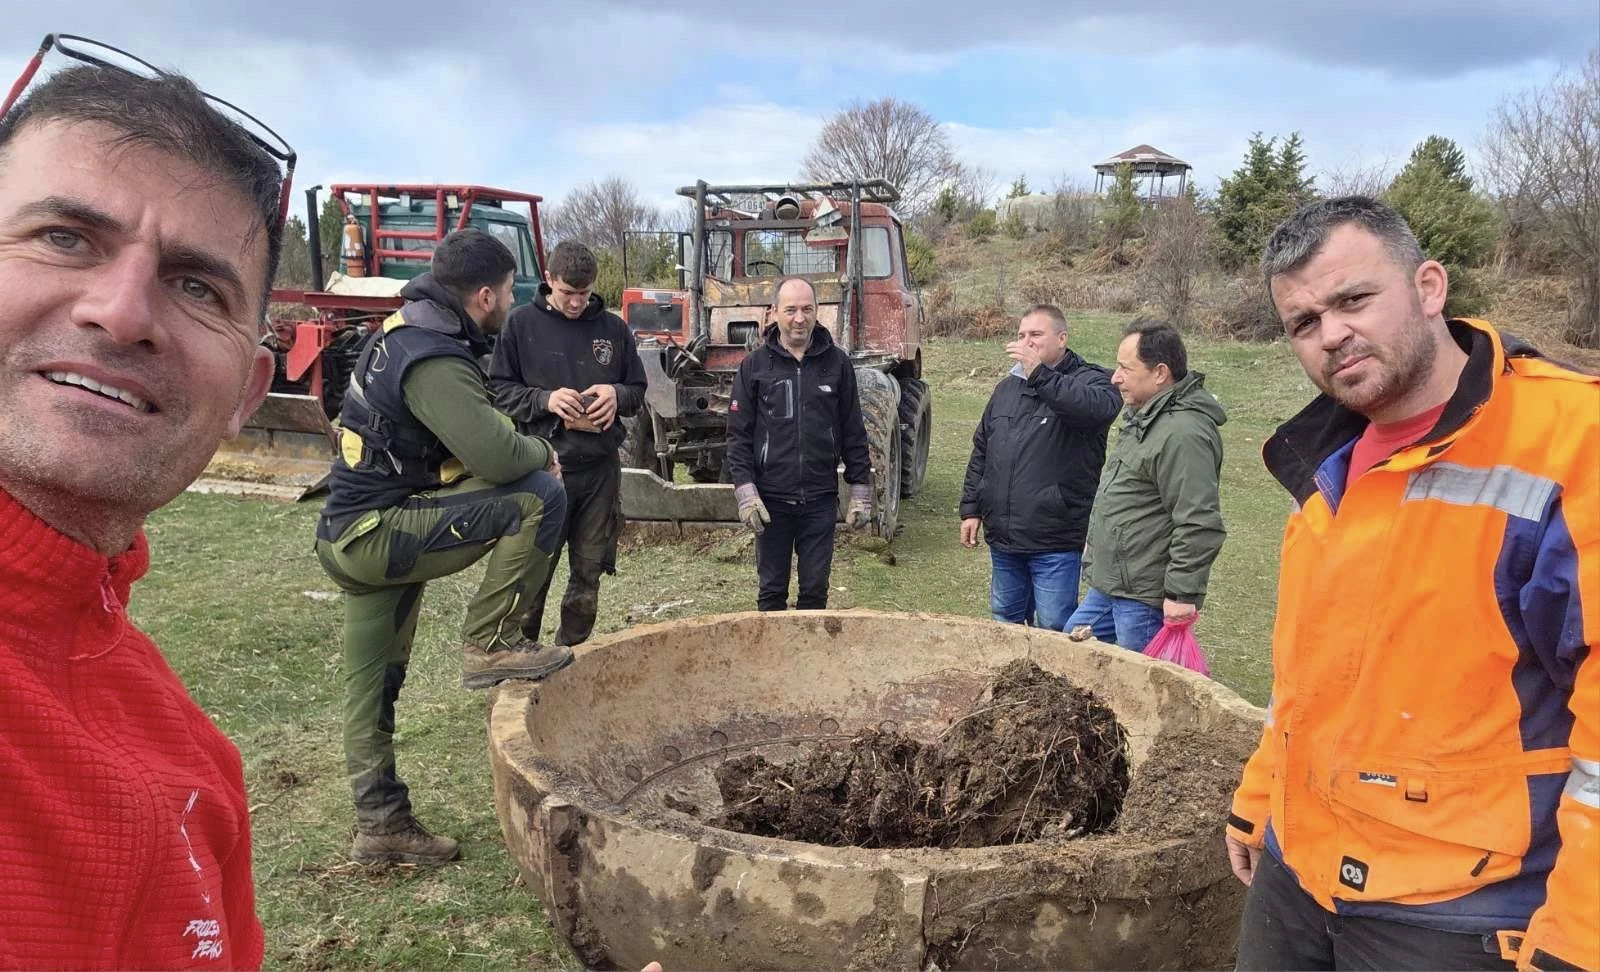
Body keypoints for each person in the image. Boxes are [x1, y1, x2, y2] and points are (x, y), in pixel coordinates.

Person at [1226, 197, 1599, 972]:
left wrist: (1582, 934)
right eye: (1304, 322)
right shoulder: (1325, 459)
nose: (1332, 333)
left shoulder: (1573, 443)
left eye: (1354, 299)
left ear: (1429, 287)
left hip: (1459, 911)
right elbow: (1307, 676)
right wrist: (1262, 795)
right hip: (1298, 874)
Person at [0, 46, 288, 967]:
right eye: (63, 237)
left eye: (196, 286)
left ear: (246, 393)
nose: (122, 313)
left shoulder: (194, 760)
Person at [314, 229, 569, 866]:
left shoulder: (408, 330)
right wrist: (543, 451)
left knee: (372, 688)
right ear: (484, 295)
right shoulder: (433, 357)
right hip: (379, 533)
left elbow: (474, 432)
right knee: (538, 495)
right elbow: (497, 455)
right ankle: (491, 641)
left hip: (350, 531)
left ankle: (381, 824)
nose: (512, 301)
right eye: (509, 291)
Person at [488, 240, 646, 647]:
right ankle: (522, 657)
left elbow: (637, 390)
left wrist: (616, 394)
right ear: (549, 280)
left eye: (584, 294)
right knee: (533, 574)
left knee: (588, 574)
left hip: (599, 471)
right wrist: (545, 400)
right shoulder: (521, 325)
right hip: (544, 470)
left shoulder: (613, 329)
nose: (576, 303)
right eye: (567, 293)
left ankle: (572, 653)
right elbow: (499, 390)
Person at [1066, 318, 1225, 652]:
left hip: (1142, 598)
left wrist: (1181, 594)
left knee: (1135, 681)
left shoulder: (1183, 433)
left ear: (1160, 373)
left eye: (1126, 368)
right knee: (1071, 650)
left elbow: (1198, 521)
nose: (1115, 377)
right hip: (1113, 585)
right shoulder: (1145, 418)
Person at [959, 304, 1120, 630]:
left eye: (1036, 334)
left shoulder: (1093, 381)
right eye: (1021, 335)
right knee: (1005, 621)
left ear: (1062, 338)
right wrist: (971, 508)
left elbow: (1093, 409)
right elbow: (983, 450)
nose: (1026, 342)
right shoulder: (1007, 389)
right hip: (1004, 538)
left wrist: (1039, 374)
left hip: (1055, 538)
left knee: (1054, 625)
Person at [726, 275, 873, 610]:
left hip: (820, 500)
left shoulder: (837, 364)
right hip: (770, 502)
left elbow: (853, 431)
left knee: (815, 592)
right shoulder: (754, 366)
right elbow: (738, 436)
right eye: (790, 309)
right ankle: (773, 647)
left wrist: (860, 494)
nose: (799, 318)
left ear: (817, 312)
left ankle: (811, 646)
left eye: (807, 309)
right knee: (771, 592)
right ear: (774, 312)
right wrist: (746, 493)